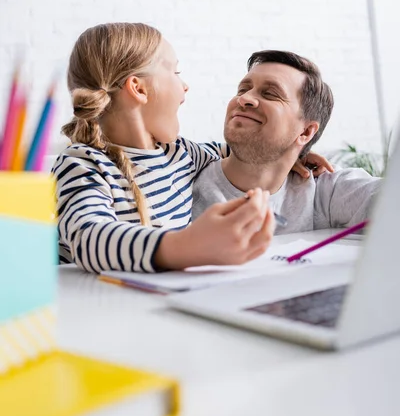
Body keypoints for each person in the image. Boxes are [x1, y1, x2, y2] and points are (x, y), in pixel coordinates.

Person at [53, 24, 329, 274]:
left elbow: (238, 151)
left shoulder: (181, 155)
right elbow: (88, 239)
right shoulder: (82, 165)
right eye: (175, 72)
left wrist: (291, 153)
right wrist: (186, 246)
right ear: (139, 88)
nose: (185, 85)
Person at [193, 50, 381, 233]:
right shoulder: (181, 177)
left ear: (305, 132)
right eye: (242, 89)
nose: (244, 98)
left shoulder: (322, 189)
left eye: (270, 94)